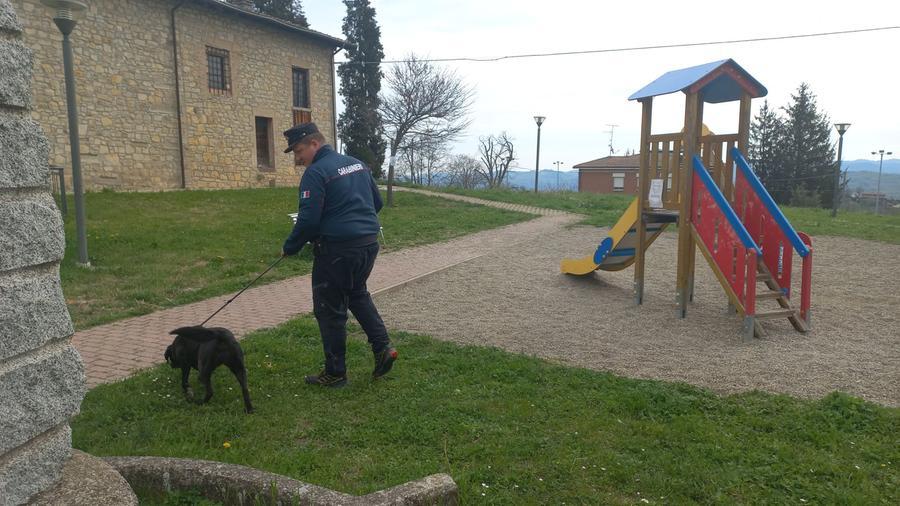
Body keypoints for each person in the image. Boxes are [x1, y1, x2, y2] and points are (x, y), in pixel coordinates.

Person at [281, 122, 396, 388]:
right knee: (357, 294)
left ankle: (335, 373)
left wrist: (290, 247)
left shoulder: (316, 172)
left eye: (298, 151)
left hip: (337, 251)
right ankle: (383, 348)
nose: (298, 159)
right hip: (368, 244)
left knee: (329, 310)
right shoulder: (356, 163)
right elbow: (376, 203)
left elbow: (308, 221)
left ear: (314, 143)